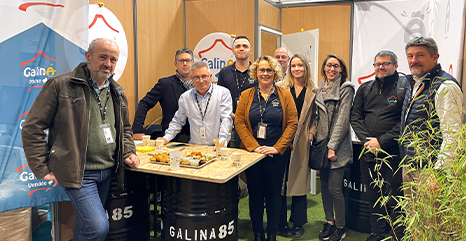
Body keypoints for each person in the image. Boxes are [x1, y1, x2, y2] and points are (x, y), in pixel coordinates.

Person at [21, 38, 139, 241]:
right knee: (98, 227)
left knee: (86, 229)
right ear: (88, 57)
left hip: (108, 171)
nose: (108, 64)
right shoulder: (60, 85)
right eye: (103, 57)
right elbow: (32, 127)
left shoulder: (117, 92)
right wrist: (41, 167)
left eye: (113, 59)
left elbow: (125, 129)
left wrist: (128, 151)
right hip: (80, 173)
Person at [235, 55, 298, 241]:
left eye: (269, 70)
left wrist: (277, 148)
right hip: (253, 155)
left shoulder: (285, 94)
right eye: (261, 70)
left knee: (273, 195)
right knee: (255, 194)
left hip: (276, 155)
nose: (265, 73)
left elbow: (293, 123)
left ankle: (271, 234)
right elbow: (239, 122)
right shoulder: (247, 95)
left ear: (275, 73)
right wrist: (254, 147)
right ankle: (258, 234)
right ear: (255, 72)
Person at [351, 50, 407, 241]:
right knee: (374, 195)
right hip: (368, 152)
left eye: (385, 63)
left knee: (394, 196)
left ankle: (395, 235)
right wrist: (368, 140)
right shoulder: (365, 88)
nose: (381, 67)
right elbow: (355, 116)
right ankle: (377, 232)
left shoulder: (405, 87)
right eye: (377, 64)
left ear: (395, 66)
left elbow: (404, 121)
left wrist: (381, 141)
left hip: (392, 154)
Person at [399, 37, 462, 195]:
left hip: (431, 172)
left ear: (435, 57)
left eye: (420, 55)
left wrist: (439, 174)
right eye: (410, 56)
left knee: (433, 219)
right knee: (412, 215)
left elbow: (452, 135)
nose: (414, 60)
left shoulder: (445, 86)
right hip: (410, 165)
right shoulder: (415, 82)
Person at [313, 54, 354, 241]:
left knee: (335, 188)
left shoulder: (346, 88)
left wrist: (332, 147)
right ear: (324, 68)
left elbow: (342, 121)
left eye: (336, 66)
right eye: (329, 65)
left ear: (341, 69)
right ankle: (329, 222)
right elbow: (315, 116)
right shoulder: (319, 88)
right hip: (321, 146)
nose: (332, 69)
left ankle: (340, 226)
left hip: (337, 148)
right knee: (324, 186)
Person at [276, 54, 316, 238]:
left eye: (300, 65)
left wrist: (312, 133)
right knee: (280, 182)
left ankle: (298, 223)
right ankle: (281, 222)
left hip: (302, 141)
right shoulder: (281, 87)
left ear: (306, 68)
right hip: (282, 139)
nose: (297, 69)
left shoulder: (314, 90)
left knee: (299, 181)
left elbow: (316, 116)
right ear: (289, 68)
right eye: (293, 66)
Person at [158, 61, 233, 146]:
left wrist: (221, 143)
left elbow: (226, 120)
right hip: (194, 147)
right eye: (196, 77)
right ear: (191, 79)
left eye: (204, 76)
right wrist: (166, 138)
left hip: (216, 147)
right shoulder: (185, 97)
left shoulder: (223, 93)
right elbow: (178, 121)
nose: (201, 81)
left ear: (210, 77)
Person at [132, 48, 194, 142]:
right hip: (170, 138)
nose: (185, 63)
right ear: (175, 64)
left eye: (188, 60)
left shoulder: (200, 85)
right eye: (181, 61)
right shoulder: (165, 84)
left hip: (195, 137)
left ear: (193, 63)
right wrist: (137, 129)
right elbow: (144, 103)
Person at [217, 35, 256, 148]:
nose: (241, 48)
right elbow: (220, 97)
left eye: (245, 46)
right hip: (231, 123)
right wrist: (232, 115)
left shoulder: (257, 71)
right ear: (232, 50)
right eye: (238, 46)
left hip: (253, 123)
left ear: (250, 51)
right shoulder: (225, 72)